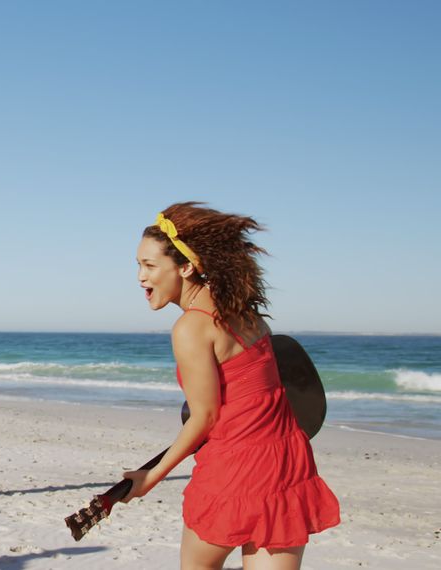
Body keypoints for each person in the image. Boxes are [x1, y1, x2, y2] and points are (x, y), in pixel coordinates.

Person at [123, 202, 339, 570]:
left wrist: (151, 477)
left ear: (187, 267)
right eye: (138, 265)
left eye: (150, 265)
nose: (140, 277)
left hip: (232, 473)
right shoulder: (246, 313)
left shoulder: (191, 327)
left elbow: (204, 416)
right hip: (286, 464)